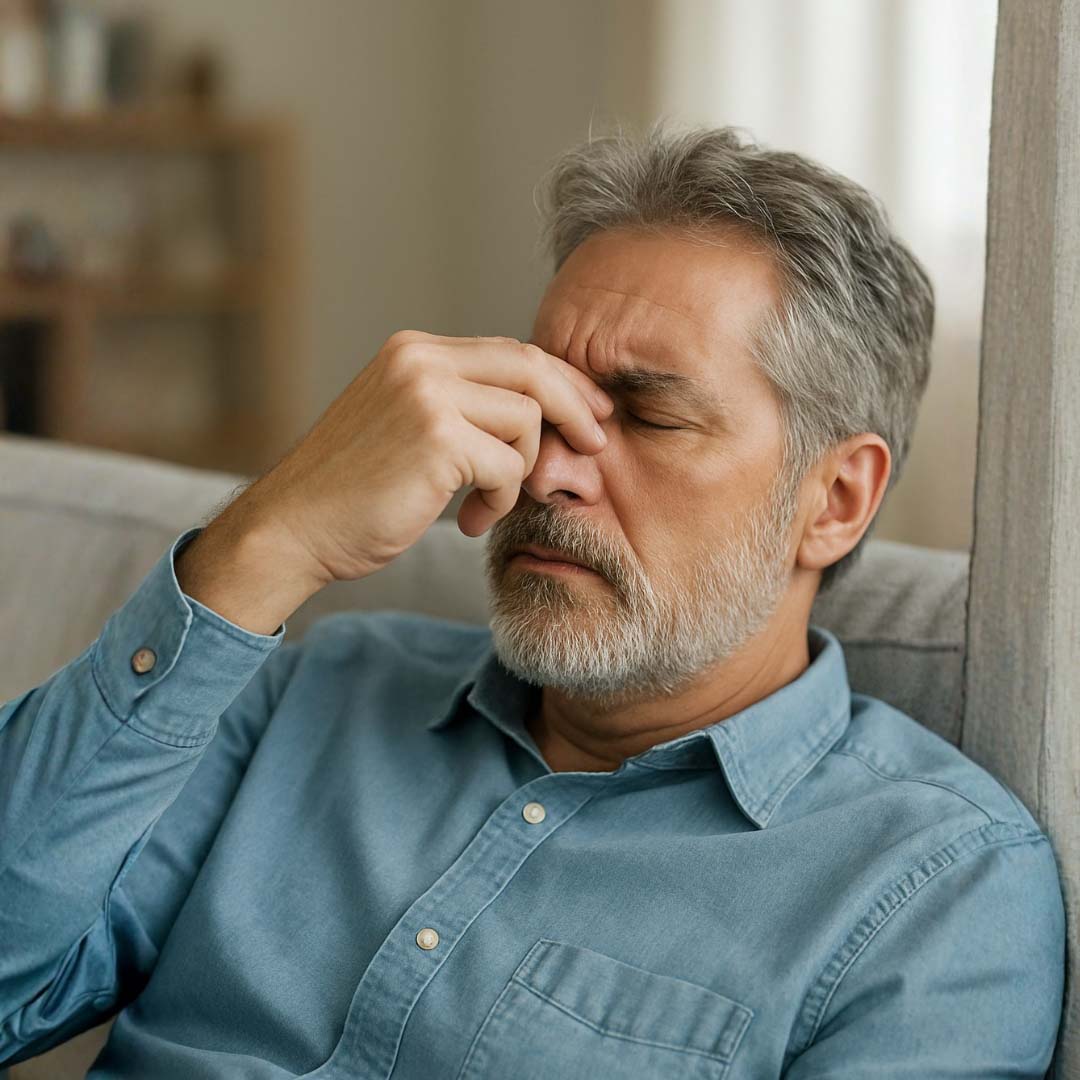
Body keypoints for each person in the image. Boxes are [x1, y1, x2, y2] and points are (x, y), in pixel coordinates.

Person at [0, 123, 1065, 1078]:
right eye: (540, 400)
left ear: (834, 501)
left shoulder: (936, 888)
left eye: (648, 417)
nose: (545, 470)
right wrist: (262, 543)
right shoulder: (319, 684)